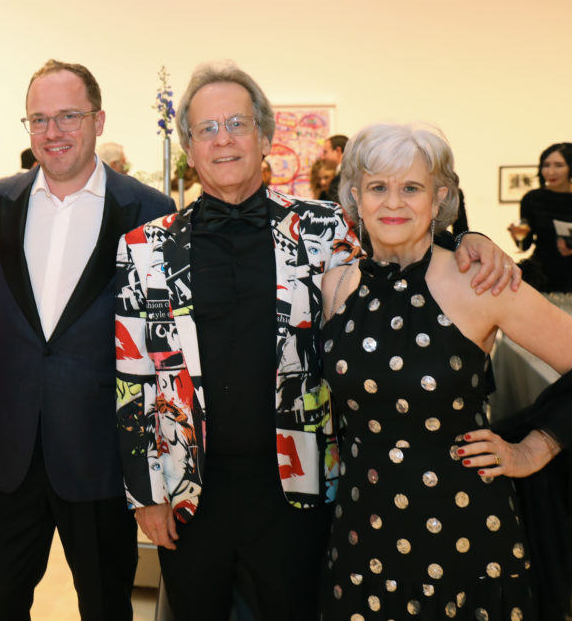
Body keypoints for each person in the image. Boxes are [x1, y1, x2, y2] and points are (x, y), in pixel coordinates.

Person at [116, 61, 520, 621]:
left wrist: (469, 237)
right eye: (207, 128)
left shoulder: (329, 230)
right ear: (188, 144)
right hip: (188, 496)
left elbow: (408, 237)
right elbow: (130, 381)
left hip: (301, 488)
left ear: (264, 135)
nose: (224, 139)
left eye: (237, 123)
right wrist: (146, 494)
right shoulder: (144, 248)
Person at [319, 123, 572, 620]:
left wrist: (535, 448)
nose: (394, 202)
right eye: (378, 187)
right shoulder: (334, 286)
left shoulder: (480, 281)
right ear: (355, 197)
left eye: (411, 187)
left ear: (439, 200)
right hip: (360, 535)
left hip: (465, 537)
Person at [0, 59, 174, 620]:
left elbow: (164, 347)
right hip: (10, 457)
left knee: (107, 607)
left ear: (99, 119)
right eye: (38, 119)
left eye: (68, 116)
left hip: (101, 457)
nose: (52, 132)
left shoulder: (151, 212)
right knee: (0, 605)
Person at [507, 143, 572, 292]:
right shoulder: (532, 199)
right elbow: (525, 245)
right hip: (544, 274)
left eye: (559, 165)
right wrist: (518, 235)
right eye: (546, 165)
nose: (551, 172)